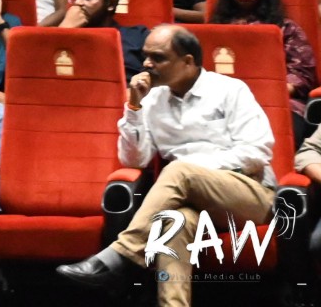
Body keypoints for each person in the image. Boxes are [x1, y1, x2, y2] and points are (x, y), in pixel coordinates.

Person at [55, 26, 275, 305]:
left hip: (248, 195)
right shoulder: (152, 99)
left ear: (188, 61)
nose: (147, 64)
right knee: (173, 222)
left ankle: (121, 256)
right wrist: (134, 108)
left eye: (158, 58)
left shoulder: (229, 90)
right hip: (188, 199)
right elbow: (135, 160)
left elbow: (256, 151)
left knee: (179, 170)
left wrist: (193, 170)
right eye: (145, 56)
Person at [209, 0, 317, 120]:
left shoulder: (285, 28)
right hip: (224, 103)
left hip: (276, 101)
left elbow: (302, 75)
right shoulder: (215, 28)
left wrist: (264, 92)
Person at [56, 0, 148, 78]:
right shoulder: (69, 38)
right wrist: (64, 30)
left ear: (110, 4)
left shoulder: (137, 36)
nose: (78, 2)